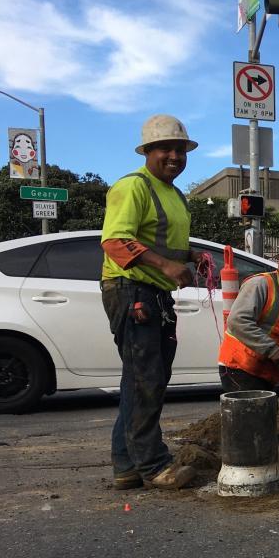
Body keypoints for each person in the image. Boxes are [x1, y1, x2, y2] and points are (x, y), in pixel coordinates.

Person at [100, 115, 203, 491]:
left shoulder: (174, 195)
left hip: (153, 293)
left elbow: (161, 242)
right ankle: (153, 464)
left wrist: (191, 256)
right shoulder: (132, 187)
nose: (174, 155)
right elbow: (114, 241)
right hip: (131, 290)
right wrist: (167, 266)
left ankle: (126, 465)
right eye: (166, 148)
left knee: (143, 379)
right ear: (148, 151)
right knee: (147, 378)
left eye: (180, 149)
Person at [217, 236, 279, 393]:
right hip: (239, 366)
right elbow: (238, 321)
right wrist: (274, 350)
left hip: (265, 370)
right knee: (251, 416)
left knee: (263, 415)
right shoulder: (261, 285)